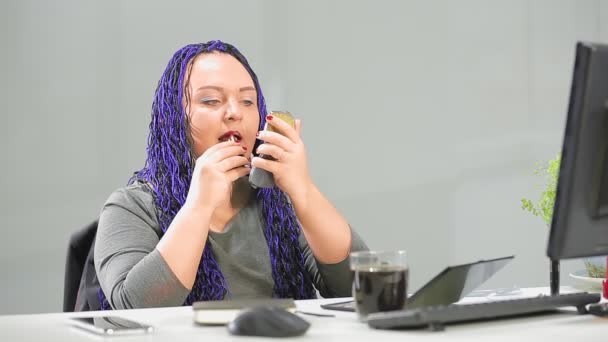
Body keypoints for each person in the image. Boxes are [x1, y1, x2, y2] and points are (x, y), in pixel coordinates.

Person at [94, 40, 368, 310]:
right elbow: (136, 307)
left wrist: (303, 190)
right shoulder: (131, 206)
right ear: (172, 118)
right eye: (211, 100)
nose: (235, 112)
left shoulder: (281, 204)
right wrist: (199, 206)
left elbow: (362, 287)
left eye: (248, 101)